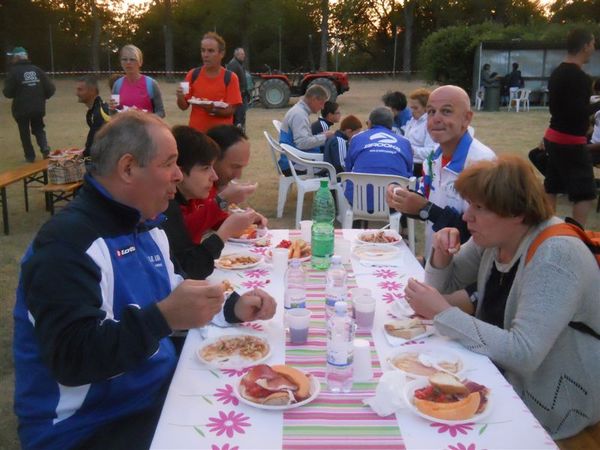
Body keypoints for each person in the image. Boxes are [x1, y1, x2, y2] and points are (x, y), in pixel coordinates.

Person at [12, 110, 276, 450]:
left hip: (153, 395)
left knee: (259, 413)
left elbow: (173, 293)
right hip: (88, 427)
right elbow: (72, 358)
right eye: (169, 163)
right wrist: (162, 318)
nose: (178, 176)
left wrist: (232, 307)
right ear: (127, 168)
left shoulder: (148, 228)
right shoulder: (66, 246)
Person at [404, 155, 600, 440]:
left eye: (479, 207)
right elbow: (442, 289)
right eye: (470, 204)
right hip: (501, 375)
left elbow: (524, 353)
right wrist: (440, 255)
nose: (466, 216)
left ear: (517, 212)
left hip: (551, 404)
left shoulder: (555, 256)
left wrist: (442, 314)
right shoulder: (495, 238)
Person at [386, 85, 495, 259]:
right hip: (436, 263)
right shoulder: (433, 157)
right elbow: (427, 201)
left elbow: (483, 232)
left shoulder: (482, 163)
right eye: (430, 112)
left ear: (466, 119)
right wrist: (400, 196)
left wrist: (425, 209)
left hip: (465, 274)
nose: (435, 118)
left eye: (446, 111)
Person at [162, 126, 263, 279]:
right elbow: (190, 262)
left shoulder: (190, 194)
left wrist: (244, 219)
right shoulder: (165, 206)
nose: (214, 176)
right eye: (206, 168)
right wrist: (223, 205)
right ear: (178, 172)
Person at [544, 28, 600, 226]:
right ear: (585, 46)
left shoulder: (557, 73)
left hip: (553, 138)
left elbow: (556, 109)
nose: (594, 48)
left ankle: (546, 229)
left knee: (553, 186)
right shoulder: (581, 79)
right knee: (585, 194)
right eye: (593, 43)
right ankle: (577, 236)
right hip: (571, 142)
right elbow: (578, 112)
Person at [178, 125, 266, 244]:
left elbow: (210, 220)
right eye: (235, 166)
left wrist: (247, 219)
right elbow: (181, 232)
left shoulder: (203, 187)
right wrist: (223, 201)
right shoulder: (175, 196)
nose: (239, 175)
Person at [344, 107, 412, 207]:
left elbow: (348, 168)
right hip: (395, 203)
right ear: (391, 125)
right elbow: (409, 172)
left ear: (369, 123)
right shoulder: (404, 142)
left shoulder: (356, 138)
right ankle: (402, 222)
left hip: (358, 201)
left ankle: (355, 221)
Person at [177, 32, 242, 133]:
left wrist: (212, 110)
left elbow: (231, 110)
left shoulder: (230, 77)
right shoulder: (193, 74)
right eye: (203, 50)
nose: (205, 55)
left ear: (221, 54)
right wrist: (180, 96)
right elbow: (183, 106)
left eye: (211, 51)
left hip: (221, 137)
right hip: (197, 136)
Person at [3, 46, 55, 162]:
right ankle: (45, 148)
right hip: (38, 107)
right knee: (39, 128)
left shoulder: (13, 72)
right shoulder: (37, 70)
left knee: (24, 132)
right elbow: (51, 88)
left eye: (12, 58)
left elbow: (8, 93)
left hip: (21, 109)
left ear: (16, 58)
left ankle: (30, 156)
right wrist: (42, 98)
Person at [278, 84, 335, 175]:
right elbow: (302, 143)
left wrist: (321, 136)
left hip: (291, 160)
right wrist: (324, 137)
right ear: (314, 99)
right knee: (334, 167)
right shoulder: (299, 115)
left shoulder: (298, 111)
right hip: (296, 163)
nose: (323, 107)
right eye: (322, 103)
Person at [110, 44, 165, 117]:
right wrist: (112, 109)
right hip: (124, 127)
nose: (128, 62)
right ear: (121, 62)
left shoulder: (151, 84)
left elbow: (161, 113)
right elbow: (113, 113)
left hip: (146, 127)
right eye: (124, 59)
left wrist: (142, 117)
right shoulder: (117, 85)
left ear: (140, 62)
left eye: (132, 59)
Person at [403, 88, 436, 177]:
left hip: (420, 167)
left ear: (426, 108)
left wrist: (412, 151)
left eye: (416, 108)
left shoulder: (430, 124)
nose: (412, 111)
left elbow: (432, 152)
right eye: (411, 108)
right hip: (407, 162)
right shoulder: (412, 121)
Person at [75, 75, 110, 158]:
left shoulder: (100, 112)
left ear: (92, 91)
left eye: (80, 90)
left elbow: (95, 139)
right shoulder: (94, 110)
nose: (77, 93)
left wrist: (83, 154)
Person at [226, 47, 249, 130]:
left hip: (242, 96)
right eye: (242, 54)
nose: (244, 56)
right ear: (236, 55)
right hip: (238, 98)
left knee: (241, 118)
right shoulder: (233, 65)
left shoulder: (238, 64)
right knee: (238, 120)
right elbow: (230, 82)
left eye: (244, 54)